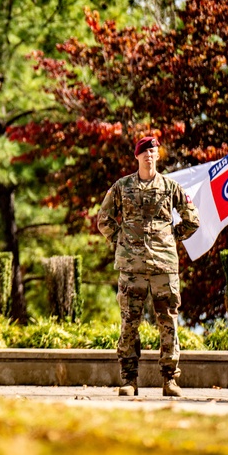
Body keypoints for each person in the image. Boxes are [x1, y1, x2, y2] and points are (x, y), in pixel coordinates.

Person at [97, 136, 200, 397]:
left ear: (158, 155)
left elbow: (192, 219)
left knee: (168, 322)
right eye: (144, 153)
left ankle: (170, 380)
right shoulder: (122, 187)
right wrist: (121, 239)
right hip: (131, 267)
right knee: (129, 322)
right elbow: (104, 219)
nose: (149, 156)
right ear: (137, 157)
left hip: (164, 265)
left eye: (153, 152)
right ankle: (129, 380)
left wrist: (171, 237)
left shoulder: (170, 186)